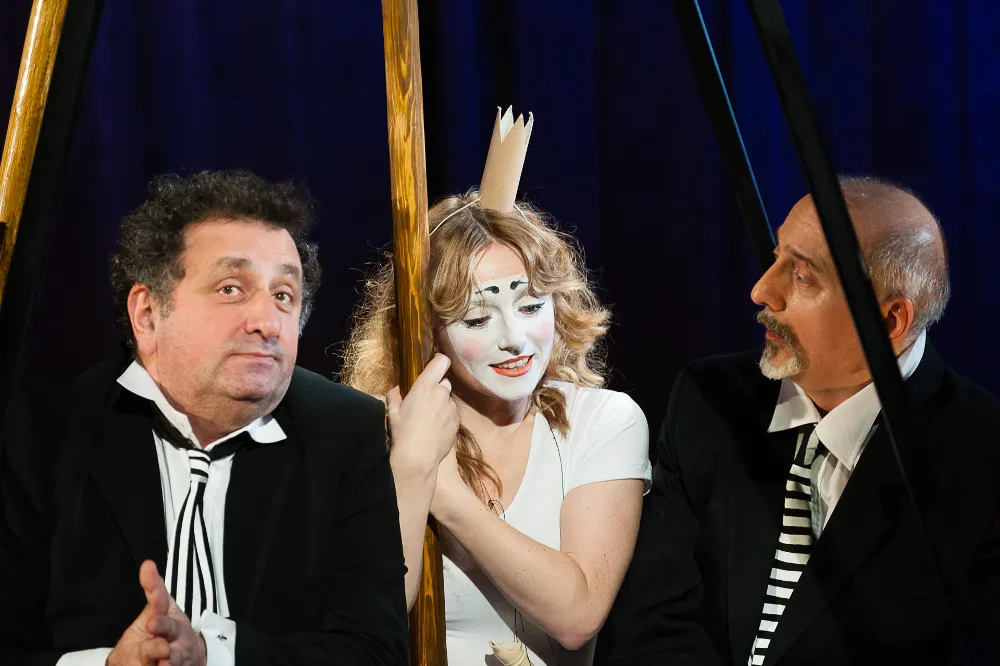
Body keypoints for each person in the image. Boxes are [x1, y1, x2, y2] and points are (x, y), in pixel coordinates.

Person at [0, 170, 408, 666]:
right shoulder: (41, 432)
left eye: (283, 294)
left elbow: (376, 652)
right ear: (148, 314)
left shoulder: (345, 431)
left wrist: (214, 654)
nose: (267, 322)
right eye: (231, 288)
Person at [599, 176, 1000, 665]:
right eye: (776, 258)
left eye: (803, 276)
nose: (761, 291)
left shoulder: (983, 462)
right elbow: (654, 624)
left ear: (889, 322)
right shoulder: (708, 400)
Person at [341, 183, 652, 665]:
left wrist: (446, 493)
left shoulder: (603, 421)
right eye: (477, 319)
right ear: (429, 332)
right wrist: (410, 470)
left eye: (530, 307)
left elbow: (578, 614)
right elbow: (370, 619)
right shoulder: (375, 431)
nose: (515, 339)